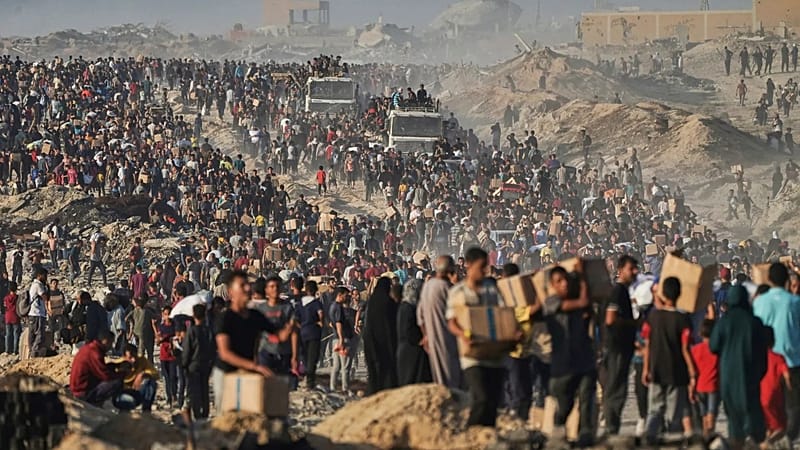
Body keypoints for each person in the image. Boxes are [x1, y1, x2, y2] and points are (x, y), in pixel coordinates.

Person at [447, 247, 514, 427]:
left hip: (493, 352)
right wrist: (463, 335)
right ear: (468, 265)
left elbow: (503, 313)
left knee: (493, 400)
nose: (484, 270)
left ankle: (486, 435)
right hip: (472, 355)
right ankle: (470, 432)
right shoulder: (458, 292)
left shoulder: (491, 290)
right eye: (481, 266)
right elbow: (452, 322)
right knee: (481, 397)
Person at [213, 270, 293, 414]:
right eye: (242, 285)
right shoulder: (225, 318)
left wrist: (290, 328)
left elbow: (278, 335)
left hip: (248, 373)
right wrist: (255, 366)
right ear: (231, 292)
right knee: (227, 416)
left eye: (248, 285)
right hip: (226, 373)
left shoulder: (255, 316)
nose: (247, 288)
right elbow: (225, 353)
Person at [540, 262, 596, 445]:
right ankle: (558, 433)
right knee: (566, 405)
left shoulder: (577, 302)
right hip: (563, 365)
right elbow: (583, 302)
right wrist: (582, 277)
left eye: (565, 279)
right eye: (559, 281)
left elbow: (588, 310)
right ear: (552, 285)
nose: (564, 283)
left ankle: (586, 434)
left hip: (584, 360)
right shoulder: (551, 303)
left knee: (587, 398)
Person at [711, 285, 769, 449]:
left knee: (733, 419)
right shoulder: (754, 322)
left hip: (728, 376)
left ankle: (737, 442)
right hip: (751, 375)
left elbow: (713, 346)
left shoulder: (724, 322)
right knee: (753, 415)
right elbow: (763, 349)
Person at [641, 277, 696, 446]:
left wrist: (646, 368)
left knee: (654, 411)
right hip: (676, 373)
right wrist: (693, 372)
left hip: (656, 370)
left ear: (663, 293)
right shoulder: (682, 319)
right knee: (674, 415)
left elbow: (647, 344)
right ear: (680, 294)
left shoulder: (653, 317)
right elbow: (685, 348)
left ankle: (649, 438)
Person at [753, 263, 800, 441]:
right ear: (787, 280)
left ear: (769, 280)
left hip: (767, 362)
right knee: (793, 406)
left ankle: (773, 435)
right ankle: (787, 438)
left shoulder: (759, 302)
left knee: (769, 403)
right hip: (792, 360)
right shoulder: (795, 302)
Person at [602, 255, 639, 437]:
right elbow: (611, 319)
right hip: (616, 348)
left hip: (621, 348)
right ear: (620, 270)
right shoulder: (618, 291)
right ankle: (611, 428)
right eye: (631, 268)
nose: (635, 272)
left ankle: (612, 426)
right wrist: (634, 324)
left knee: (618, 388)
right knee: (615, 389)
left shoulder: (623, 291)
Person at [417, 255, 462, 389]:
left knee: (439, 376)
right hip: (449, 338)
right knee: (452, 376)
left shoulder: (427, 287)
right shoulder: (448, 288)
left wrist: (426, 336)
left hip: (432, 338)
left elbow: (420, 317)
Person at [252, 276, 299, 389]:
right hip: (265, 351)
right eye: (272, 286)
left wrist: (295, 356)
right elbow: (256, 334)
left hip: (284, 352)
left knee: (281, 387)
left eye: (277, 286)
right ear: (266, 290)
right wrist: (254, 354)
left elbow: (294, 332)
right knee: (265, 385)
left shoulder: (287, 308)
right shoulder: (261, 309)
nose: (275, 289)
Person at [69, 329, 128, 408]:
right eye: (111, 343)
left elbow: (100, 368)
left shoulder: (90, 348)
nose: (111, 347)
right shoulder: (94, 352)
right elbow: (105, 375)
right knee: (117, 382)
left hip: (79, 388)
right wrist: (123, 374)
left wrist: (115, 365)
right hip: (82, 392)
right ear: (105, 341)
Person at [363, 276, 399, 394]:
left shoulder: (372, 301)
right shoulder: (388, 302)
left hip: (371, 340)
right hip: (386, 341)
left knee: (374, 370)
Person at [182, 303, 215, 419]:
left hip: (193, 365)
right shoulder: (209, 331)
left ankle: (197, 414)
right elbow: (213, 349)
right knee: (204, 390)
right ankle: (205, 413)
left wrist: (184, 364)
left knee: (195, 392)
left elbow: (187, 350)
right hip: (206, 364)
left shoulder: (192, 331)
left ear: (194, 315)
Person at [396, 278, 432, 386]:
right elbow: (408, 330)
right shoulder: (408, 308)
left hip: (407, 349)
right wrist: (420, 340)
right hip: (411, 350)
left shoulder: (406, 306)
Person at [761, 327, 791, 447]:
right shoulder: (778, 358)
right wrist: (790, 387)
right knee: (781, 428)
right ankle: (768, 443)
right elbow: (787, 375)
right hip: (774, 397)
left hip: (759, 397)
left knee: (769, 427)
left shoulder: (756, 356)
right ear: (773, 341)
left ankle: (767, 444)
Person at [690, 319, 720, 440]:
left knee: (703, 414)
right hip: (713, 385)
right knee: (711, 412)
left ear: (700, 333)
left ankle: (705, 435)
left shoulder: (695, 350)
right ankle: (710, 433)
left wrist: (691, 387)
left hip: (699, 386)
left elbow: (693, 371)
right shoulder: (717, 350)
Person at [296, 280, 324, 389]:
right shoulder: (316, 303)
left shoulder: (300, 303)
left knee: (304, 356)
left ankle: (304, 377)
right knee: (313, 357)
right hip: (314, 332)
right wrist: (320, 322)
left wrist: (302, 327)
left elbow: (296, 319)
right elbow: (321, 314)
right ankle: (310, 381)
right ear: (315, 290)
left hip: (303, 332)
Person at [115, 343, 159, 412]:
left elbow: (156, 374)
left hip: (137, 391)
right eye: (130, 357)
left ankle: (146, 410)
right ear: (124, 357)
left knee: (151, 382)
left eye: (135, 356)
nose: (134, 360)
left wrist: (142, 374)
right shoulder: (118, 365)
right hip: (124, 393)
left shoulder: (141, 360)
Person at [329, 286, 356, 392]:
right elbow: (338, 323)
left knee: (336, 366)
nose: (347, 297)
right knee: (346, 366)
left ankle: (333, 387)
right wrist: (341, 338)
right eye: (346, 295)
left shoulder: (332, 306)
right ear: (339, 295)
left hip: (335, 338)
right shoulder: (338, 307)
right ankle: (345, 388)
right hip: (343, 339)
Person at [126, 296, 157, 363]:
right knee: (148, 352)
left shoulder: (134, 311)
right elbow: (155, 318)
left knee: (140, 350)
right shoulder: (147, 311)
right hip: (146, 333)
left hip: (136, 332)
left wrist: (131, 325)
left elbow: (126, 319)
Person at [28, 267, 49, 358]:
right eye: (45, 276)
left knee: (33, 335)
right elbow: (45, 297)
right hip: (37, 313)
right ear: (39, 275)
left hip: (33, 313)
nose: (46, 278)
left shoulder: (34, 284)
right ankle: (34, 353)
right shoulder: (38, 285)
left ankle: (32, 353)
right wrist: (47, 289)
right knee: (40, 335)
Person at [4, 281, 20, 354]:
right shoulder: (17, 297)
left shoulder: (6, 298)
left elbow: (5, 306)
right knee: (16, 334)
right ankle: (15, 350)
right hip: (15, 316)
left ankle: (7, 350)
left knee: (8, 334)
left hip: (8, 317)